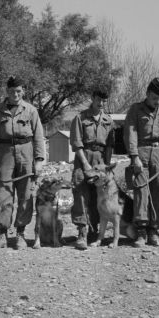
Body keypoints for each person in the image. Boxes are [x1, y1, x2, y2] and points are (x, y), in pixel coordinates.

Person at [0, 76, 45, 250]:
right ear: (7, 91)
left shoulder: (31, 110)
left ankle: (20, 234)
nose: (15, 94)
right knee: (3, 194)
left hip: (26, 153)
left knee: (26, 195)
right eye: (12, 91)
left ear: (23, 91)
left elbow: (39, 137)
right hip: (5, 154)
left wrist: (39, 160)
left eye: (19, 91)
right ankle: (2, 234)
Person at [123, 78, 159, 247]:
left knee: (157, 194)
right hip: (141, 153)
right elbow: (130, 134)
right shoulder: (135, 110)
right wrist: (134, 157)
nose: (157, 101)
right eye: (154, 97)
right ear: (147, 94)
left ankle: (153, 231)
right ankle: (140, 232)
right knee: (141, 193)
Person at [69, 89, 115, 250]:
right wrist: (85, 164)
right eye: (98, 100)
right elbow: (76, 143)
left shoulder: (108, 120)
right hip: (84, 157)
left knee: (99, 195)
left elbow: (109, 146)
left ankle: (94, 231)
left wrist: (107, 166)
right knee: (81, 194)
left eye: (103, 100)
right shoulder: (80, 118)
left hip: (101, 159)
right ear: (92, 98)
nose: (101, 103)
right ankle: (82, 232)